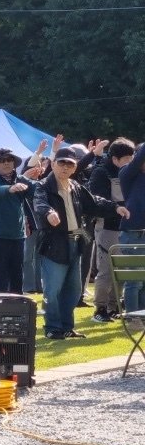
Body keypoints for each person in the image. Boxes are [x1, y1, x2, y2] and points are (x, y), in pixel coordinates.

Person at [34, 147, 128, 339]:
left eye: (70, 164)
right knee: (53, 289)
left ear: (75, 167)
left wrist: (115, 208)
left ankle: (67, 327)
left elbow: (94, 202)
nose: (65, 167)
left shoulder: (76, 187)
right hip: (54, 243)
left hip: (75, 241)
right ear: (53, 164)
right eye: (62, 162)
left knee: (73, 289)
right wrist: (49, 213)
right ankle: (52, 328)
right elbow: (39, 203)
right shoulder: (43, 186)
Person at [88, 138, 136, 322]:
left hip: (128, 228)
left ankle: (114, 306)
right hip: (107, 226)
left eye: (132, 158)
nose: (130, 162)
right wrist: (117, 209)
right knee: (107, 270)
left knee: (123, 270)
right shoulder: (101, 172)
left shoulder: (131, 173)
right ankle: (100, 309)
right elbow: (97, 200)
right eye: (127, 159)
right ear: (115, 159)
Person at [0, 149, 37, 293]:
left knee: (17, 275)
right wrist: (10, 188)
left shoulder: (20, 179)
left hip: (18, 235)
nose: (6, 163)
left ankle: (16, 305)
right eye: (2, 160)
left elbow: (38, 189)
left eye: (9, 160)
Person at [117, 141, 145, 331]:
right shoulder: (127, 173)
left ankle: (142, 316)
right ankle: (133, 318)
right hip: (132, 234)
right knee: (134, 279)